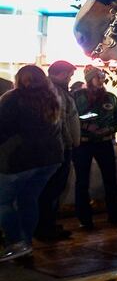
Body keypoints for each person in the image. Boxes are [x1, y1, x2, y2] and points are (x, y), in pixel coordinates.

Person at [0, 66, 65, 262]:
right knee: (29, 199)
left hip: (18, 160)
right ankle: (25, 243)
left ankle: (17, 242)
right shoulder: (53, 98)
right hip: (50, 160)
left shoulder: (12, 98)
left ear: (19, 79)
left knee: (2, 202)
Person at [72, 66, 117, 227]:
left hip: (104, 143)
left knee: (110, 179)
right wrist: (84, 127)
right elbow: (69, 116)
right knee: (82, 181)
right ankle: (84, 219)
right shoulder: (77, 97)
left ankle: (115, 215)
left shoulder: (110, 98)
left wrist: (110, 129)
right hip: (83, 144)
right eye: (98, 77)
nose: (101, 80)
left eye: (102, 77)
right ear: (90, 79)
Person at [35, 61, 81, 241]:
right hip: (59, 149)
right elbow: (60, 122)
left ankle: (48, 225)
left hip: (60, 147)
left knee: (54, 189)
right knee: (52, 190)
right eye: (69, 75)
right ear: (61, 74)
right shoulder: (54, 92)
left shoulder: (56, 90)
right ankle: (45, 228)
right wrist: (68, 142)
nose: (70, 78)